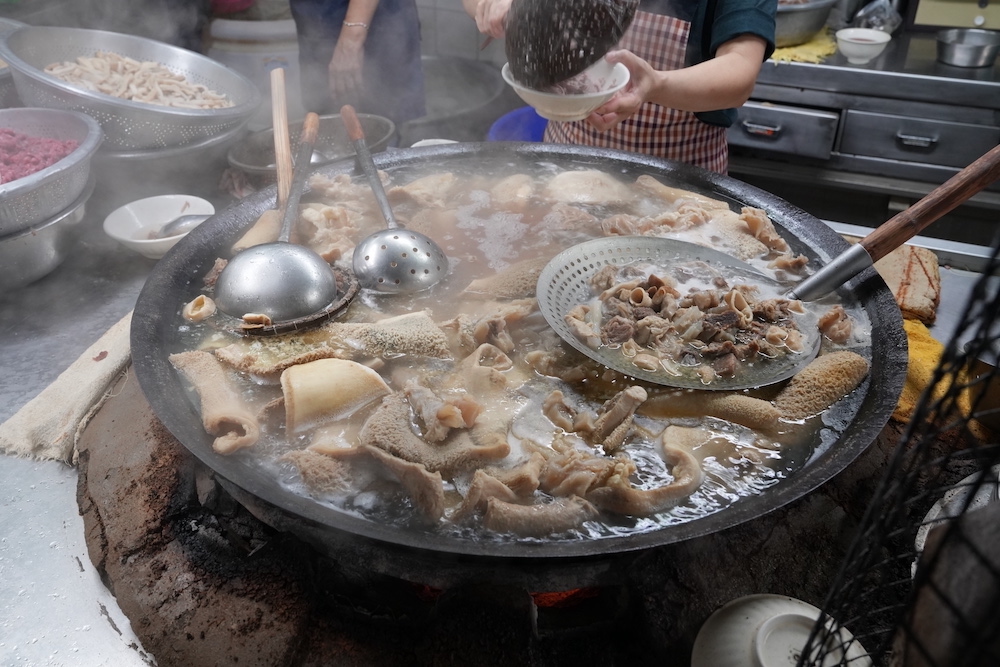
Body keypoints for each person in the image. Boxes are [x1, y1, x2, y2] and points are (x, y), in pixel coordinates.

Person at [465, 0, 776, 174]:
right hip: (568, 161)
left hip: (676, 176)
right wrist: (490, 5)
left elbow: (739, 72)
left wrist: (657, 84)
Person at [289, 0, 426, 127]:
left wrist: (351, 41)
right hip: (320, 21)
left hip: (370, 26)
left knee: (375, 128)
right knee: (328, 121)